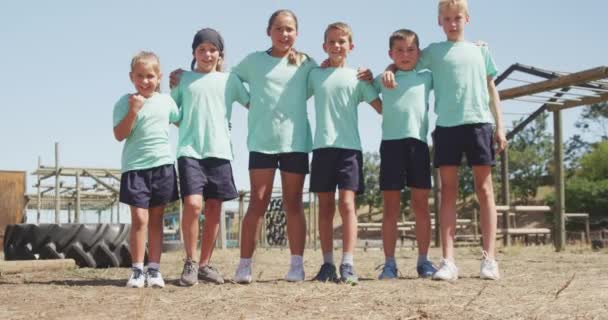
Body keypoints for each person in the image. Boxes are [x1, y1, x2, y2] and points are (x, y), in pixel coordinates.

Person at [384, 0, 507, 281]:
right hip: (447, 127)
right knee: (447, 192)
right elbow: (408, 58)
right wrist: (390, 66)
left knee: (485, 190)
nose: (453, 23)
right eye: (447, 18)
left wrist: (500, 127)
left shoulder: (481, 50)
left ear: (467, 18)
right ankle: (448, 261)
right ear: (439, 21)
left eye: (457, 18)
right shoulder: (433, 52)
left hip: (479, 124)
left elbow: (492, 89)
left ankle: (489, 259)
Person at [171, 28, 249, 286]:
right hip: (190, 151)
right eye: (202, 49)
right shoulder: (183, 80)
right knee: (193, 205)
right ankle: (190, 262)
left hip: (220, 152)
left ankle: (204, 265)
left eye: (212, 49)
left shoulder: (231, 81)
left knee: (215, 207)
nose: (207, 54)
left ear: (220, 53)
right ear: (194, 53)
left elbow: (254, 102)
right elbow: (174, 115)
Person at [308, 22, 381, 285]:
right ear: (324, 46)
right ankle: (327, 264)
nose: (337, 46)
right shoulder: (314, 75)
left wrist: (380, 77)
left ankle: (348, 263)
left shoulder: (358, 78)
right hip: (322, 149)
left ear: (351, 46)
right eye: (332, 42)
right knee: (325, 207)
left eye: (342, 42)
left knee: (347, 205)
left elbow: (382, 107)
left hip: (350, 149)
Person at [113, 51, 180, 288]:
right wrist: (133, 110)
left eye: (150, 76)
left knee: (156, 219)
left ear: (159, 77)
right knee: (139, 219)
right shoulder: (125, 102)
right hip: (135, 168)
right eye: (140, 76)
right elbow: (119, 135)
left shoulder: (166, 102)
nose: (145, 81)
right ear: (132, 77)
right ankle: (137, 271)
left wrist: (182, 88)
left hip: (162, 166)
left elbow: (183, 121)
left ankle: (154, 270)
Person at [375, 29, 437, 280]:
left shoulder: (427, 77)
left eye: (411, 49)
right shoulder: (383, 78)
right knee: (390, 207)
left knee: (421, 205)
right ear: (390, 53)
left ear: (418, 53)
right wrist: (388, 68)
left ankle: (424, 261)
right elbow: (363, 87)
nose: (405, 54)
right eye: (399, 50)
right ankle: (389, 263)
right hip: (390, 146)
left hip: (418, 146)